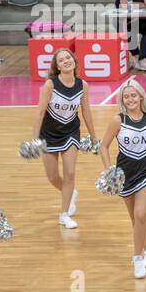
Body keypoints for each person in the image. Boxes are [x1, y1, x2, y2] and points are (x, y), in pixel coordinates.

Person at [97, 79, 146, 280]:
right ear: (122, 100)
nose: (130, 99)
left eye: (134, 95)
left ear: (141, 96)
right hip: (125, 174)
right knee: (136, 219)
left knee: (141, 213)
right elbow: (103, 146)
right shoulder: (118, 120)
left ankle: (137, 257)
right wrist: (110, 171)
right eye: (126, 96)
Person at [31, 48, 97, 228]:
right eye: (61, 60)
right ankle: (70, 192)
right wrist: (35, 140)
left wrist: (93, 137)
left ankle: (64, 214)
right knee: (53, 177)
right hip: (48, 135)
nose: (66, 61)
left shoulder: (82, 84)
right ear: (57, 66)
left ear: (74, 60)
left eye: (68, 57)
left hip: (71, 132)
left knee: (70, 173)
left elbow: (86, 112)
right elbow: (40, 113)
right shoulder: (50, 85)